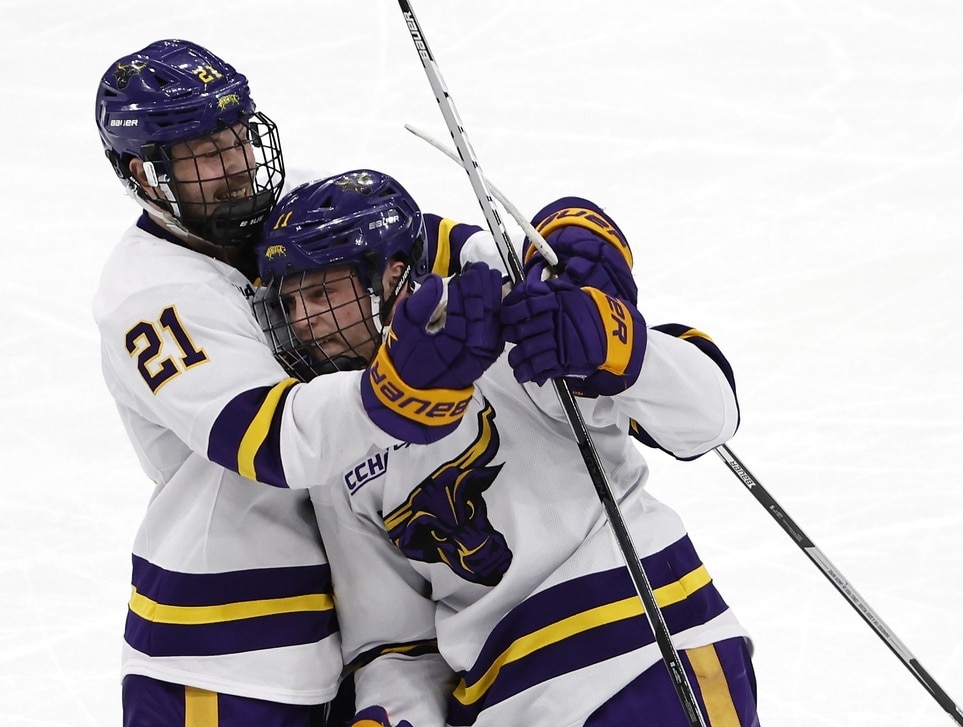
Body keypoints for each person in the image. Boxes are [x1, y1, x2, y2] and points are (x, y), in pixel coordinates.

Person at [253, 168, 760, 726]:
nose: (305, 322)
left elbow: (709, 418)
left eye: (322, 294)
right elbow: (395, 643)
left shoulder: (516, 324)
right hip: (507, 708)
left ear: (391, 275)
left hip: (645, 660)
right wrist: (392, 715)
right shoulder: (331, 444)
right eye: (291, 304)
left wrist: (616, 342)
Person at [93, 41, 484, 726]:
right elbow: (271, 439)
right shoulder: (150, 297)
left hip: (356, 633)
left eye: (237, 139)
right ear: (144, 174)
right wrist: (399, 386)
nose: (236, 166)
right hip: (222, 653)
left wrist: (548, 266)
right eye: (205, 154)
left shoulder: (282, 204)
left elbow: (411, 246)